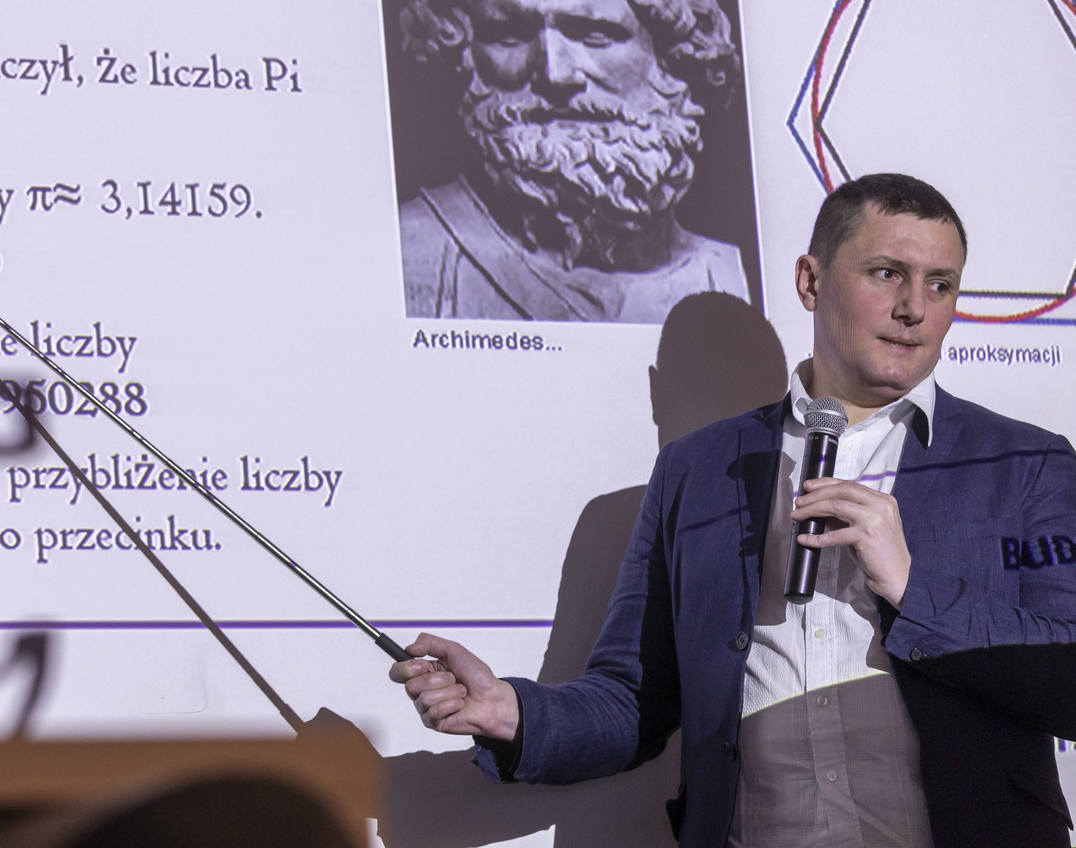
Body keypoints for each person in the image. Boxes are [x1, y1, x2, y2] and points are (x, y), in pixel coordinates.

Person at [391, 174, 1076, 847]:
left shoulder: (1027, 464)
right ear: (810, 281)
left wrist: (912, 588)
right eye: (887, 273)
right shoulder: (695, 470)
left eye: (940, 285)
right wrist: (512, 713)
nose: (914, 308)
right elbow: (634, 698)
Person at [397, 0, 750, 323]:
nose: (555, 73)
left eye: (595, 35)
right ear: (462, 55)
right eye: (510, 35)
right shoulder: (408, 250)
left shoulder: (734, 273)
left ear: (668, 57)